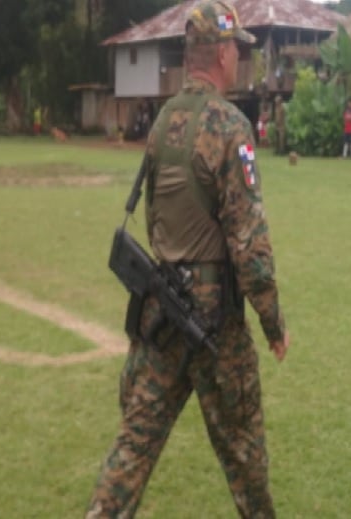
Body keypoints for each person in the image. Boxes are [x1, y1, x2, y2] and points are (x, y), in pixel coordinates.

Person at [85, 1, 290, 518]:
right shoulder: (229, 126)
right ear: (222, 54)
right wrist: (272, 320)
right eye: (236, 51)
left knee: (134, 445)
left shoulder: (162, 123)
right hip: (213, 321)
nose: (238, 60)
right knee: (244, 454)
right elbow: (249, 244)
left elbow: (153, 217)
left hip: (161, 309)